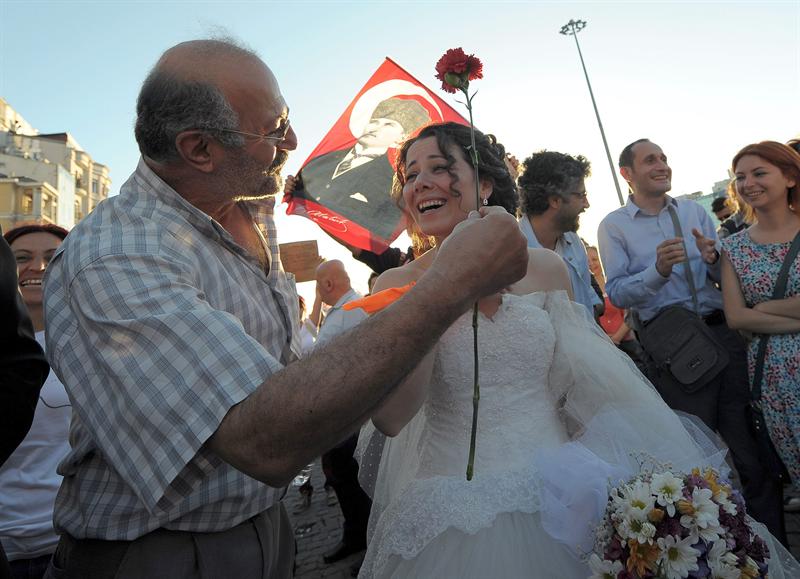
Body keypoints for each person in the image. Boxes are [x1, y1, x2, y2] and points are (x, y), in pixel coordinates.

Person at [41, 39, 528, 578]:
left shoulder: (245, 205)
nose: (293, 141)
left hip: (269, 526)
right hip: (167, 553)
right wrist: (448, 286)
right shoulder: (116, 257)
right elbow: (261, 440)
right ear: (200, 149)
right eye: (274, 130)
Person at [350, 123, 799, 578]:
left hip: (562, 489)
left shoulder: (544, 269)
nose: (421, 183)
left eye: (438, 168)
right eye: (411, 175)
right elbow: (392, 418)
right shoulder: (395, 285)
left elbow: (576, 386)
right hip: (452, 507)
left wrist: (625, 478)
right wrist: (443, 290)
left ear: (483, 184)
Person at [598, 138, 784, 541]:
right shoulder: (614, 225)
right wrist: (658, 270)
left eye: (664, 158)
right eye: (650, 160)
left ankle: (774, 548)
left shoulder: (692, 211)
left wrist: (714, 260)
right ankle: (719, 547)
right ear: (627, 173)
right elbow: (618, 293)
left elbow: (724, 279)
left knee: (750, 451)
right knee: (697, 456)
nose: (662, 165)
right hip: (676, 351)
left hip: (722, 336)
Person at [719, 142, 800, 487]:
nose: (748, 183)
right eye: (740, 177)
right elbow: (736, 318)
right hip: (774, 378)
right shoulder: (733, 247)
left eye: (759, 173)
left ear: (790, 177)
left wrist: (764, 308)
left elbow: (748, 313)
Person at [1, 225, 70, 579]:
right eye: (22, 258)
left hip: (67, 544)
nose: (38, 267)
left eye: (52, 258)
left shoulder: (97, 346)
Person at [294, 98, 431, 242]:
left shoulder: (388, 184)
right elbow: (309, 186)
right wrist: (296, 188)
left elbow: (379, 229)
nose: (375, 128)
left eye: (389, 124)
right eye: (374, 122)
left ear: (401, 137)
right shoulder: (325, 160)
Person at [313, 260, 371, 565]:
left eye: (317, 285)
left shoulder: (350, 311)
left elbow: (317, 358)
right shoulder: (347, 309)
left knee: (348, 479)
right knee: (344, 479)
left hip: (349, 416)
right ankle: (357, 536)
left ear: (328, 284)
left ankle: (361, 541)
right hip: (344, 412)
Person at [516, 150, 603, 319]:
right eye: (581, 195)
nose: (586, 204)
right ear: (555, 200)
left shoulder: (573, 241)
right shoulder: (512, 251)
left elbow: (587, 304)